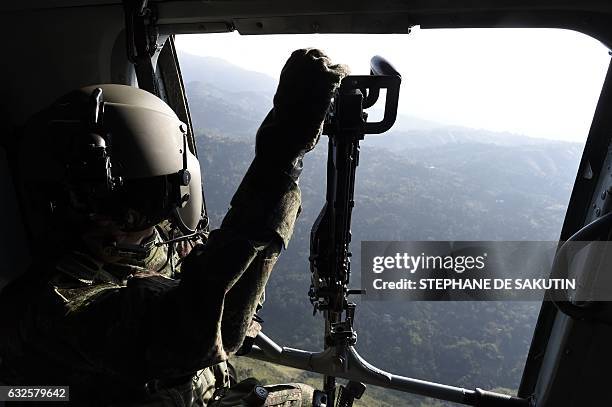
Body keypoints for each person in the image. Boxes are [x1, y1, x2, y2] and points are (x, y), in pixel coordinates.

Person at [0, 48, 349, 406]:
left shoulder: (153, 246)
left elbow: (223, 300)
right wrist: (280, 161)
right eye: (118, 208)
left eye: (149, 203)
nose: (126, 224)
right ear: (66, 204)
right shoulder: (52, 306)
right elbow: (194, 334)